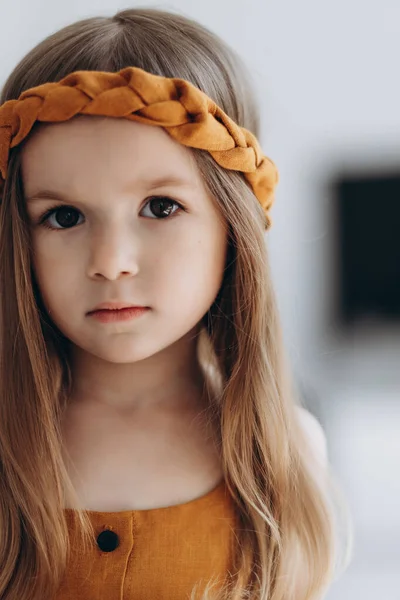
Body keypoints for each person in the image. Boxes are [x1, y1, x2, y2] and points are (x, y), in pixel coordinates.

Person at [0, 7, 352, 600]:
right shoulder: (12, 451)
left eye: (160, 207)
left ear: (233, 225)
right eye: (64, 216)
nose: (111, 261)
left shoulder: (287, 452)